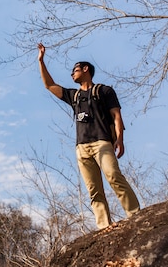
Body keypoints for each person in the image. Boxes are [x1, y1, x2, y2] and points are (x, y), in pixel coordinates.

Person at [37, 43, 140, 229]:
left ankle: (135, 214)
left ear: (86, 70)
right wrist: (41, 61)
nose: (72, 74)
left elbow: (116, 115)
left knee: (114, 176)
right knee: (94, 190)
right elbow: (49, 85)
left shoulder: (104, 91)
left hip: (102, 143)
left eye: (74, 70)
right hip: (81, 147)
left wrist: (120, 139)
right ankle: (104, 226)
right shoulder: (73, 96)